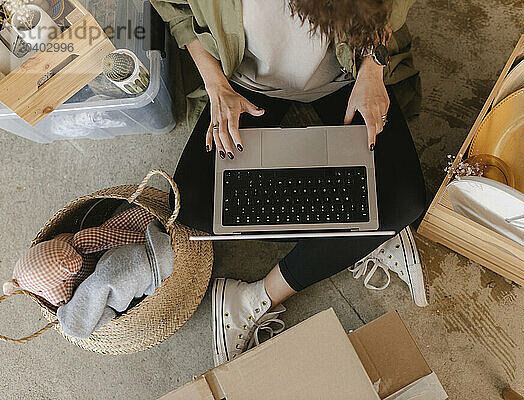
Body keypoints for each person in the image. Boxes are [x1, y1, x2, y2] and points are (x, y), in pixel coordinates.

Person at [151, 0, 428, 366]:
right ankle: (363, 236)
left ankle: (256, 297)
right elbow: (176, 10)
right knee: (193, 207)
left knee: (408, 200)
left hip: (345, 76)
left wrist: (373, 72)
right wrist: (216, 84)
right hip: (246, 84)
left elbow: (388, 9)